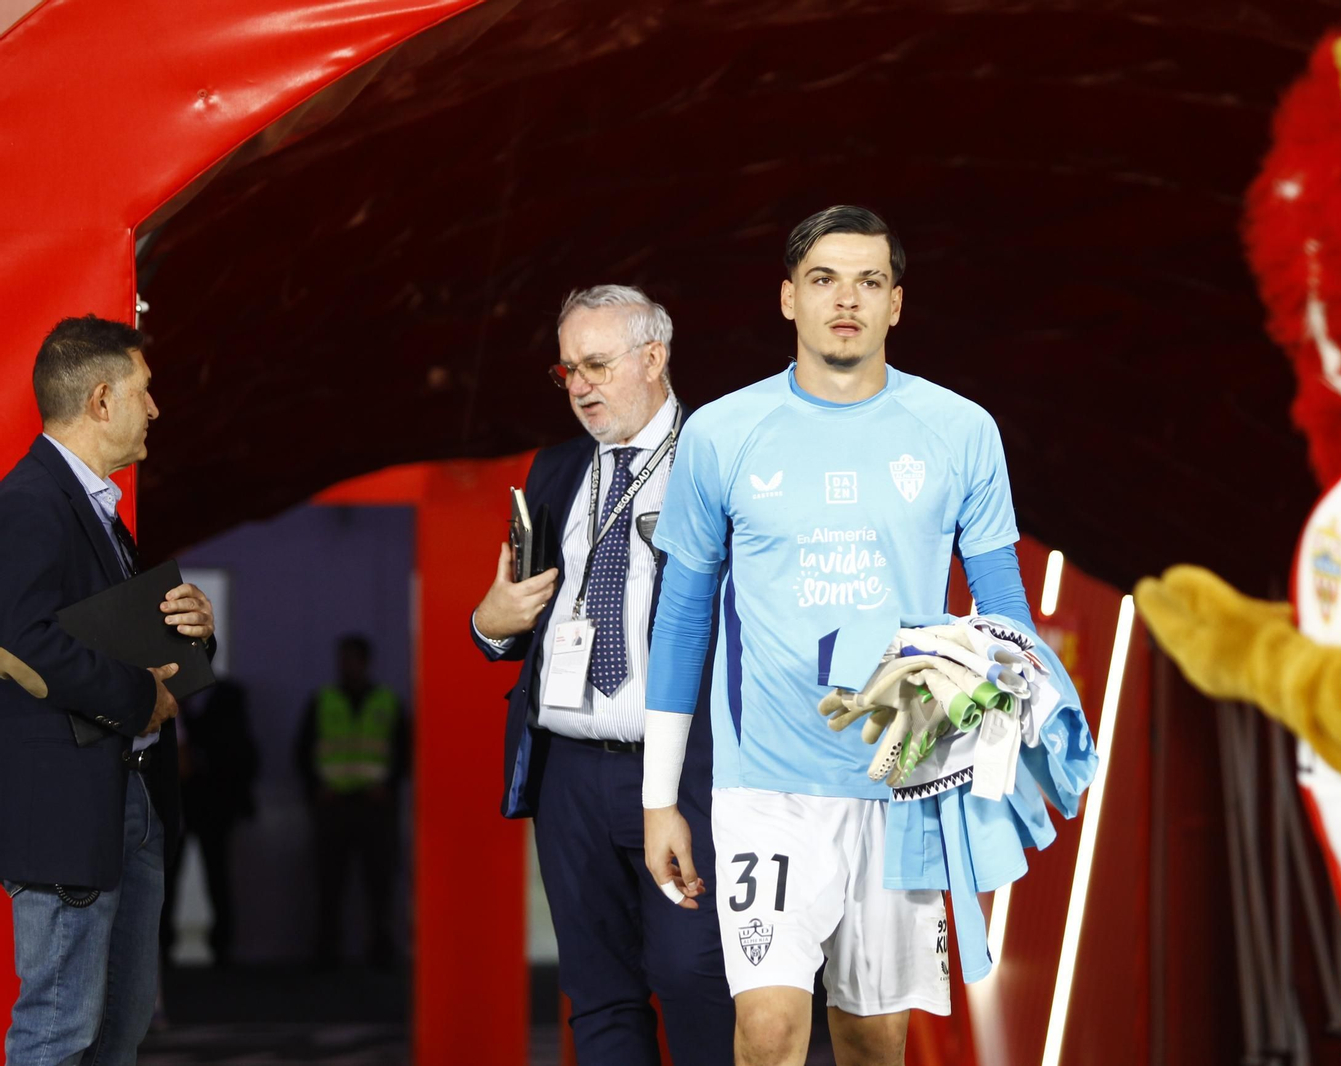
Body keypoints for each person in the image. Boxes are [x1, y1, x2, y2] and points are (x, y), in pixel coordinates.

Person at [641, 206, 1034, 1066]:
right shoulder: (722, 433)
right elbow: (681, 617)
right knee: (770, 1027)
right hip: (765, 787)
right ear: (788, 299)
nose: (845, 299)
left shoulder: (960, 430)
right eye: (823, 279)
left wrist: (997, 758)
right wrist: (659, 796)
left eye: (868, 281)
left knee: (871, 1037)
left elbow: (1003, 600)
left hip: (902, 779)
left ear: (897, 304)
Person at [471, 285, 733, 1065]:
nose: (580, 385)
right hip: (570, 772)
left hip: (688, 770)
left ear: (654, 358)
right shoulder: (553, 471)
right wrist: (489, 623)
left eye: (596, 364)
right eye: (567, 371)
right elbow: (520, 622)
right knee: (597, 992)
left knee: (694, 975)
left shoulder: (719, 460)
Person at [0, 314, 216, 1065]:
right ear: (100, 400)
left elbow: (117, 639)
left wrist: (194, 634)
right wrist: (137, 698)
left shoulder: (96, 511)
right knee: (60, 1034)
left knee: (114, 1038)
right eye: (144, 392)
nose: (154, 408)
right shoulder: (28, 502)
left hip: (131, 804)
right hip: (73, 812)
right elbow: (18, 642)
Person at [293, 635, 409, 970]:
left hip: (376, 807)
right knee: (329, 882)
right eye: (343, 659)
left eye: (353, 659)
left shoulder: (387, 701)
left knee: (380, 881)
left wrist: (388, 785)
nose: (347, 665)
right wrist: (316, 787)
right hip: (333, 806)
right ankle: (327, 951)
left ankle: (382, 950)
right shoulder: (323, 700)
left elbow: (404, 750)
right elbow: (303, 750)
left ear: (366, 662)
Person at [159, 677, 259, 967]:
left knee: (217, 875)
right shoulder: (165, 693)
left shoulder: (228, 697)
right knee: (166, 877)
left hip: (214, 803)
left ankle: (223, 947)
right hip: (176, 802)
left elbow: (238, 750)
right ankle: (162, 946)